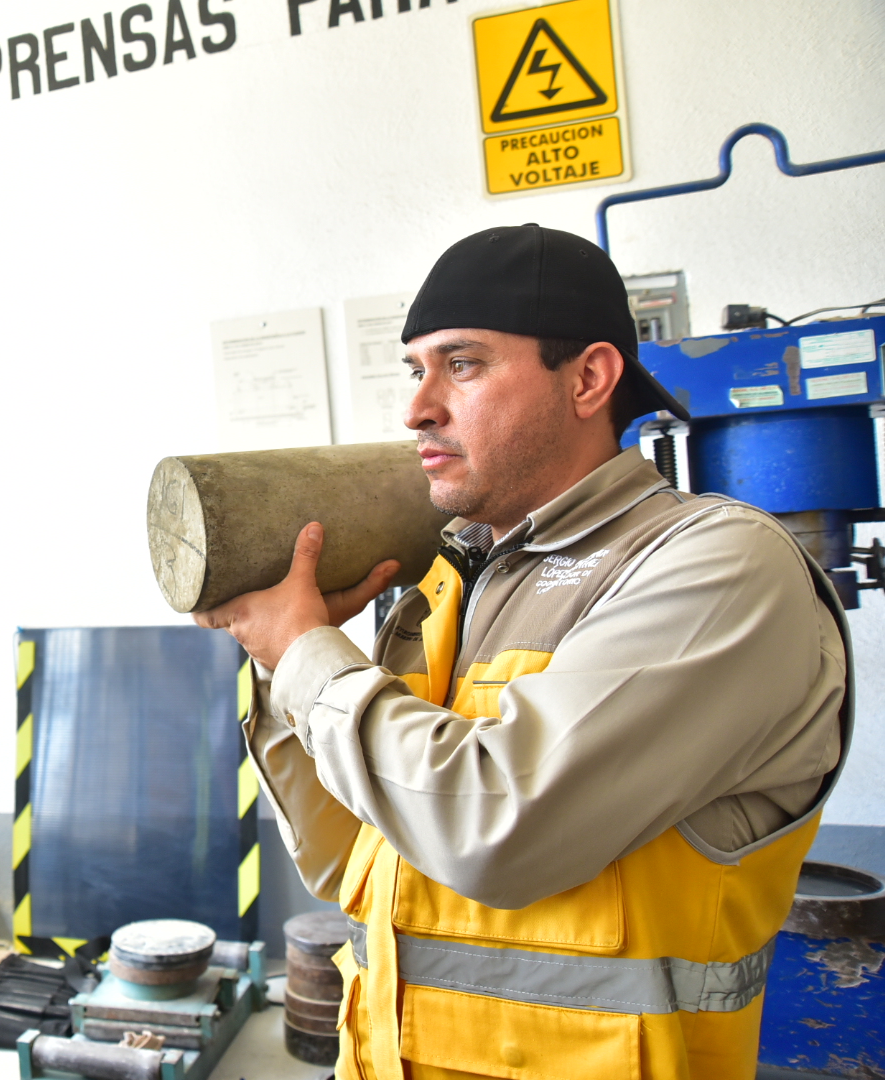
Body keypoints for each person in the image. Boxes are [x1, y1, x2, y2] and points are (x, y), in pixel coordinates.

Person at [196, 225, 849, 1080]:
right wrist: (285, 659)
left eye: (462, 364)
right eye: (415, 370)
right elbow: (344, 857)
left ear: (588, 379)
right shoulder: (449, 581)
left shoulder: (716, 566)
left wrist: (311, 659)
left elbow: (495, 832)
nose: (418, 408)